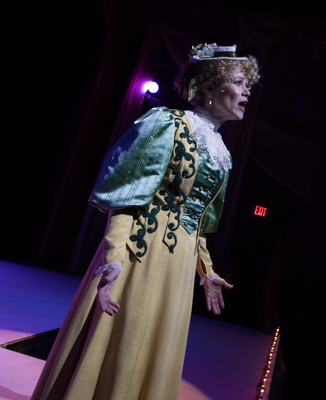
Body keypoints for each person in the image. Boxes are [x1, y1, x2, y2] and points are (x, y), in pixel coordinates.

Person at [32, 43, 260, 400]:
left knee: (155, 348)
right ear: (210, 87)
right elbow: (125, 198)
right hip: (142, 252)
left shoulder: (222, 153)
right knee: (125, 338)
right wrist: (112, 259)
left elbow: (196, 216)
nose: (247, 90)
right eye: (238, 82)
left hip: (179, 266)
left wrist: (206, 270)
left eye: (249, 84)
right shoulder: (167, 124)